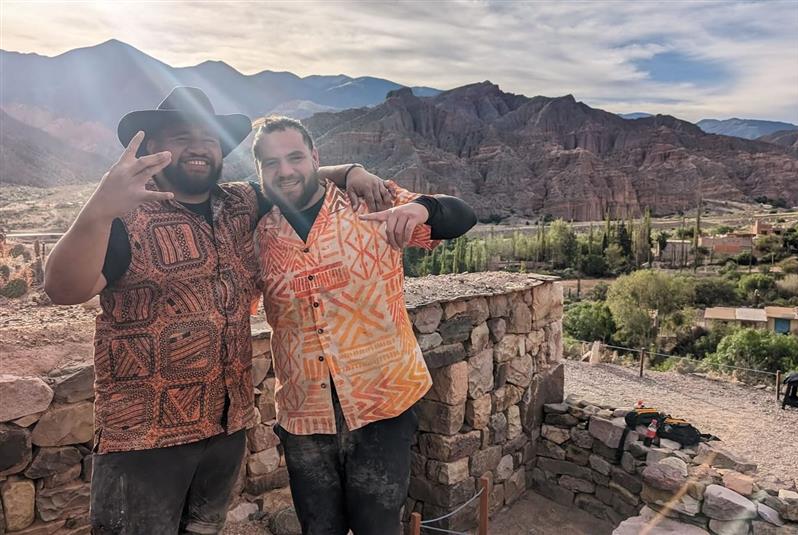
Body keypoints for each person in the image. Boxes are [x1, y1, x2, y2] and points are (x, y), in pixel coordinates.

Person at [43, 87, 390, 535]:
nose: (197, 147)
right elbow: (62, 289)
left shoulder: (240, 203)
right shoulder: (124, 219)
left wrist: (351, 170)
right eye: (181, 136)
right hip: (147, 436)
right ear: (151, 149)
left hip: (225, 427)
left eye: (207, 137)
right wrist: (97, 211)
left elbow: (291, 174)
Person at [251, 115, 477, 534]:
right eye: (271, 163)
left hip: (383, 405)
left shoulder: (373, 204)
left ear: (315, 158)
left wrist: (421, 206)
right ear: (260, 171)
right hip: (304, 417)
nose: (284, 170)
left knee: (379, 527)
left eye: (295, 157)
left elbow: (462, 217)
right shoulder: (258, 236)